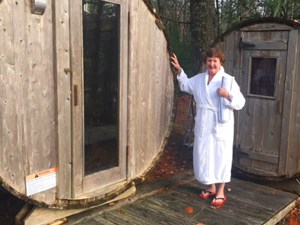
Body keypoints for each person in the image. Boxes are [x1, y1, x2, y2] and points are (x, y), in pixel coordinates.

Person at [170, 47, 245, 208]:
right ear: (206, 63)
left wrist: (228, 95)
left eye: (215, 61)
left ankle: (220, 192)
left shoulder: (228, 80)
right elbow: (185, 85)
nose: (212, 64)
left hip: (220, 125)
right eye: (209, 61)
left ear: (220, 62)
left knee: (220, 156)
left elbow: (240, 102)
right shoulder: (199, 79)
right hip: (204, 123)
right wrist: (179, 70)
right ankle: (210, 187)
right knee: (203, 155)